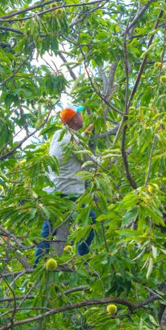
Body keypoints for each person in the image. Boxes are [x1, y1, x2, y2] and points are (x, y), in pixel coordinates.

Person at [34, 106, 97, 266]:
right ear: (74, 119)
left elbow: (69, 148)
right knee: (89, 220)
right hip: (69, 192)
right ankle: (82, 257)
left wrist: (83, 136)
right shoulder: (73, 140)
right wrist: (109, 161)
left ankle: (36, 265)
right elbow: (91, 162)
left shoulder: (59, 135)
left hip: (53, 190)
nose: (83, 117)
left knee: (47, 231)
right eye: (80, 114)